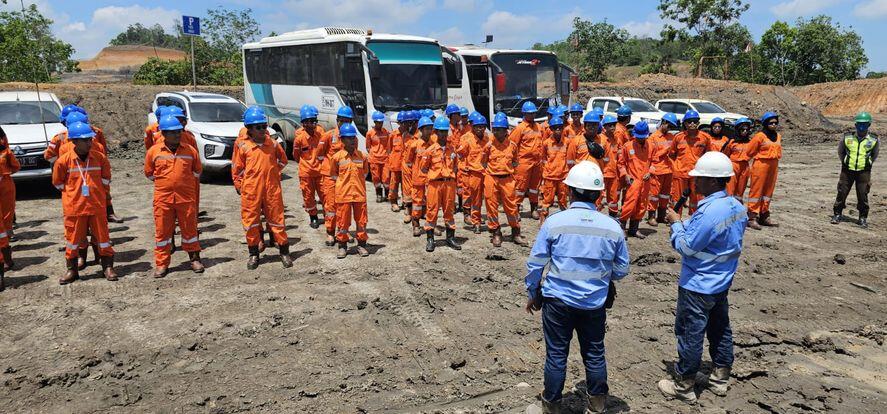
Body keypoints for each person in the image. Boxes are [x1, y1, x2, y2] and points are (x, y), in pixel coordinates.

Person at [524, 160, 629, 414]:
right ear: (599, 194)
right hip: (594, 302)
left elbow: (536, 263)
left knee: (557, 354)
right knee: (594, 353)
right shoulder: (612, 227)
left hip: (558, 302)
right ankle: (597, 405)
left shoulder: (555, 222)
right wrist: (602, 279)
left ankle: (551, 405)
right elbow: (622, 268)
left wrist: (532, 292)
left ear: (570, 191)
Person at [658, 151, 747, 404]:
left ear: (712, 180)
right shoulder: (736, 207)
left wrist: (676, 224)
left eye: (698, 178)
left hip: (698, 283)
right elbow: (714, 238)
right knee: (719, 329)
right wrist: (687, 224)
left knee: (690, 332)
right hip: (721, 282)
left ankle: (684, 385)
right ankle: (720, 378)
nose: (694, 183)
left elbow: (687, 247)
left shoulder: (710, 211)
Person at [52, 121, 118, 284]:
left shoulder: (99, 158)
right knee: (73, 241)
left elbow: (106, 178)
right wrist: (74, 195)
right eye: (85, 140)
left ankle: (107, 267)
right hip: (75, 209)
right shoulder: (64, 161)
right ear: (74, 141)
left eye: (90, 139)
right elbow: (58, 183)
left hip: (96, 207)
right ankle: (72, 270)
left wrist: (95, 194)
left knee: (103, 239)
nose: (90, 142)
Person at [232, 107, 293, 269]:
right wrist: (240, 184)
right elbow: (237, 169)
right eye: (258, 127)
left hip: (272, 189)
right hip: (251, 190)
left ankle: (284, 251)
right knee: (251, 222)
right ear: (249, 129)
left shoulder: (272, 144)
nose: (262, 130)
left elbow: (283, 160)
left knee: (277, 220)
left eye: (264, 126)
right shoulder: (243, 146)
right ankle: (254, 254)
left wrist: (273, 172)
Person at [144, 115, 204, 278]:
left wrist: (181, 183)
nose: (177, 134)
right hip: (163, 200)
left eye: (179, 131)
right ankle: (162, 264)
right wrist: (167, 183)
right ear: (163, 133)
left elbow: (197, 171)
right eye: (173, 132)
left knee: (190, 230)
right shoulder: (154, 152)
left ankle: (194, 259)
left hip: (185, 199)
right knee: (162, 233)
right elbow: (149, 173)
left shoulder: (190, 150)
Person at [482, 113, 527, 247]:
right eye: (495, 129)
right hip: (491, 178)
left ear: (506, 130)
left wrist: (507, 172)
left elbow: (515, 162)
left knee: (511, 207)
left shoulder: (512, 146)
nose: (496, 132)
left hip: (507, 180)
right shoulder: (489, 146)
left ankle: (515, 232)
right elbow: (483, 162)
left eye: (500, 129)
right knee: (491, 207)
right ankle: (495, 232)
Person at [832, 112, 879, 228]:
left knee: (863, 195)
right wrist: (846, 162)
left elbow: (874, 155)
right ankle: (837, 214)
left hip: (864, 172)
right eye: (859, 125)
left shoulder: (873, 140)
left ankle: (862, 218)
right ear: (855, 125)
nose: (861, 127)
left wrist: (867, 164)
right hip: (847, 171)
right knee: (842, 192)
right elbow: (840, 152)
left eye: (864, 125)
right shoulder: (847, 137)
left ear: (869, 125)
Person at [330, 123, 370, 259]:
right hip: (343, 195)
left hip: (359, 195)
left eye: (353, 137)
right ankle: (342, 246)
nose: (352, 140)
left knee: (361, 221)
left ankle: (362, 245)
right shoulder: (336, 158)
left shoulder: (362, 157)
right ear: (342, 140)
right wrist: (344, 185)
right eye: (348, 138)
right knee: (343, 222)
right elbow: (334, 175)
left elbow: (365, 173)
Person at [421, 117, 461, 252]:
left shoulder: (452, 150)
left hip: (449, 184)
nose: (444, 134)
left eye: (445, 131)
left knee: (449, 210)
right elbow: (424, 168)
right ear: (435, 132)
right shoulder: (430, 150)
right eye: (441, 131)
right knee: (431, 211)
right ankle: (430, 239)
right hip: (434, 184)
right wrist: (436, 175)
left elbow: (455, 166)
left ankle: (450, 237)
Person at [319, 106, 353, 245]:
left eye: (348, 121)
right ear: (337, 120)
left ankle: (344, 230)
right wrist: (329, 169)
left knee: (344, 206)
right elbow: (319, 155)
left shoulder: (352, 137)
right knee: (331, 206)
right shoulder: (328, 136)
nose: (345, 123)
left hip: (345, 178)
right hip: (330, 177)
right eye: (342, 120)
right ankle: (330, 232)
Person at [745, 111, 782, 228]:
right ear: (765, 123)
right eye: (771, 123)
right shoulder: (759, 136)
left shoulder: (778, 136)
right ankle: (752, 216)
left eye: (775, 123)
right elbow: (749, 151)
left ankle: (764, 213)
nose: (774, 125)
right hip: (761, 165)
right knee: (757, 191)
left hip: (774, 165)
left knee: (768, 191)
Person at [618, 121, 655, 238]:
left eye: (642, 137)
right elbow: (621, 163)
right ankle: (622, 227)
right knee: (629, 204)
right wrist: (626, 175)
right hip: (633, 181)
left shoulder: (652, 146)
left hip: (645, 181)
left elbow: (655, 162)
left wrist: (650, 172)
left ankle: (634, 229)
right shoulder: (628, 146)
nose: (640, 140)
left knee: (642, 205)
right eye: (638, 137)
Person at [670, 110, 711, 215]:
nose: (692, 124)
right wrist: (675, 168)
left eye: (694, 121)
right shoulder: (678, 137)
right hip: (680, 173)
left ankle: (694, 221)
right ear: (684, 123)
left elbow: (708, 154)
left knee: (696, 199)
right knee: (677, 199)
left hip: (697, 174)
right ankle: (675, 222)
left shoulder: (705, 138)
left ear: (698, 123)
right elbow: (672, 155)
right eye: (689, 121)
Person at [292, 105, 325, 229]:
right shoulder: (299, 138)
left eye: (314, 121)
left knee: (325, 195)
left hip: (321, 171)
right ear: (304, 123)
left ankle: (328, 216)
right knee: (308, 196)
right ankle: (314, 217)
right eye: (310, 121)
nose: (313, 124)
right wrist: (306, 164)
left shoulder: (321, 134)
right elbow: (296, 156)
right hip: (306, 173)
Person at [510, 101, 545, 219]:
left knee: (535, 188)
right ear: (524, 114)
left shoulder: (539, 127)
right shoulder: (520, 128)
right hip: (523, 163)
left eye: (533, 113)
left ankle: (534, 209)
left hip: (537, 163)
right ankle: (516, 209)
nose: (532, 115)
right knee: (520, 187)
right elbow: (512, 146)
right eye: (529, 113)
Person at [457, 113, 490, 234]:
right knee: (473, 198)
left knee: (488, 198)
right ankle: (474, 220)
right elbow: (460, 156)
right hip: (472, 173)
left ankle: (485, 221)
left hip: (486, 173)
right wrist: (464, 170)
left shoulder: (487, 138)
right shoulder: (467, 139)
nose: (480, 129)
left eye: (482, 126)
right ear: (472, 127)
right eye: (477, 126)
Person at [647, 113, 679, 226]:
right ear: (663, 123)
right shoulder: (653, 137)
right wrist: (665, 151)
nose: (670, 129)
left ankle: (661, 216)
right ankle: (651, 216)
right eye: (669, 126)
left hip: (668, 170)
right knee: (654, 195)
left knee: (665, 195)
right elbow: (650, 155)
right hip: (657, 169)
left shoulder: (671, 137)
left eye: (672, 127)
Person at [406, 116, 435, 237]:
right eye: (426, 129)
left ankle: (430, 225)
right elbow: (408, 161)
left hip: (430, 179)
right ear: (421, 130)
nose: (429, 131)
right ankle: (416, 225)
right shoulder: (414, 145)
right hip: (418, 178)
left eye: (430, 128)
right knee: (417, 203)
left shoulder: (434, 145)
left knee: (431, 202)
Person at [539, 117, 570, 222]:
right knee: (547, 200)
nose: (558, 130)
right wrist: (546, 171)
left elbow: (569, 158)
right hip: (550, 177)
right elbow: (543, 159)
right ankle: (543, 219)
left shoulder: (567, 142)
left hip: (563, 177)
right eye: (555, 128)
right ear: (551, 129)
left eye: (560, 128)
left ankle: (564, 221)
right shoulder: (546, 143)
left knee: (563, 200)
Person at [722, 117, 755, 207]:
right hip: (733, 166)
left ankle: (737, 207)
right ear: (737, 129)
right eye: (742, 129)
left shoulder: (751, 142)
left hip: (745, 167)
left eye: (746, 129)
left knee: (741, 190)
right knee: (730, 188)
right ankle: (727, 207)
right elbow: (725, 154)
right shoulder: (732, 142)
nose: (744, 131)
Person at [0, 126, 20, 271]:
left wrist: (5, 173)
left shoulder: (5, 151)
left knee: (6, 216)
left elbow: (16, 166)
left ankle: (7, 257)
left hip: (5, 184)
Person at [367, 111, 390, 203]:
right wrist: (373, 154)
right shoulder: (370, 133)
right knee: (376, 178)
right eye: (378, 122)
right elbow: (368, 147)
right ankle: (379, 194)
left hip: (385, 159)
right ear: (375, 122)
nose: (380, 124)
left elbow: (389, 145)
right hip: (374, 159)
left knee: (386, 178)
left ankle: (387, 195)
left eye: (381, 122)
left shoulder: (386, 132)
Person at [387, 111, 408, 213]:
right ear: (399, 123)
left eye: (407, 123)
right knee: (394, 184)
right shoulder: (393, 135)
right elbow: (389, 149)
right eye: (403, 123)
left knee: (406, 186)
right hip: (395, 165)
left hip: (405, 167)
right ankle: (394, 202)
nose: (405, 125)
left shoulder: (409, 136)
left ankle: (406, 203)